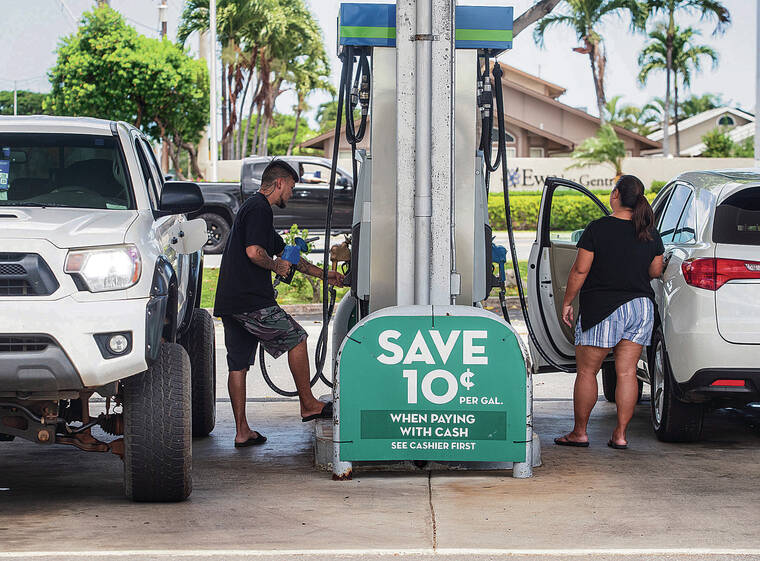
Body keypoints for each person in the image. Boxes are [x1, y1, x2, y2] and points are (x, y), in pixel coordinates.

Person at [213, 159, 344, 448]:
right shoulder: (260, 208)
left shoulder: (252, 209)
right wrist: (275, 266)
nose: (291, 195)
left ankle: (242, 431)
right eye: (292, 189)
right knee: (297, 338)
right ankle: (308, 403)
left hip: (231, 302)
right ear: (280, 183)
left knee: (238, 366)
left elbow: (286, 252)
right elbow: (254, 252)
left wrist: (327, 275)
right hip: (250, 300)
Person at [554, 175, 664, 450]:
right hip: (640, 308)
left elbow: (580, 270)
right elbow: (655, 271)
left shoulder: (598, 229)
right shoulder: (649, 231)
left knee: (587, 372)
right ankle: (620, 435)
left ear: (616, 194)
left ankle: (579, 433)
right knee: (627, 373)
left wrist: (568, 302)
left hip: (602, 308)